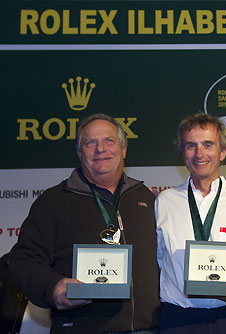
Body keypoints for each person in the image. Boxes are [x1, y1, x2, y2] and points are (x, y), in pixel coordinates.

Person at [9, 114, 160, 334]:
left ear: (124, 149)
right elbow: (23, 262)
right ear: (80, 153)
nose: (100, 149)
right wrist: (53, 288)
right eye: (91, 143)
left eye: (109, 140)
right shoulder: (53, 202)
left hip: (149, 330)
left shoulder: (148, 200)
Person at [155, 113, 226, 334]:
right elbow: (159, 264)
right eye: (191, 146)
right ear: (182, 153)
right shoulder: (164, 202)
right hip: (179, 319)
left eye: (208, 144)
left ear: (223, 152)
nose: (199, 154)